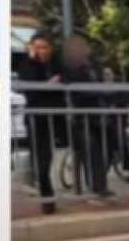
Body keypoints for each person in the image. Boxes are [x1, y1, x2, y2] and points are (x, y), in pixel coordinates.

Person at [17, 33, 63, 214]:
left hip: (59, 117)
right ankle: (47, 198)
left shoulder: (58, 64)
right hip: (38, 119)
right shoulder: (28, 65)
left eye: (43, 47)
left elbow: (67, 78)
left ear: (51, 48)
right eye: (36, 47)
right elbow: (29, 88)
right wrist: (47, 84)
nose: (40, 51)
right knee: (42, 163)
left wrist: (50, 85)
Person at [61, 34, 110, 198]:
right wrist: (97, 92)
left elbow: (103, 85)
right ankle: (97, 187)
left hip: (99, 114)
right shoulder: (70, 67)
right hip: (82, 117)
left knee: (105, 150)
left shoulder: (95, 65)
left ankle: (99, 184)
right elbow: (76, 91)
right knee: (91, 150)